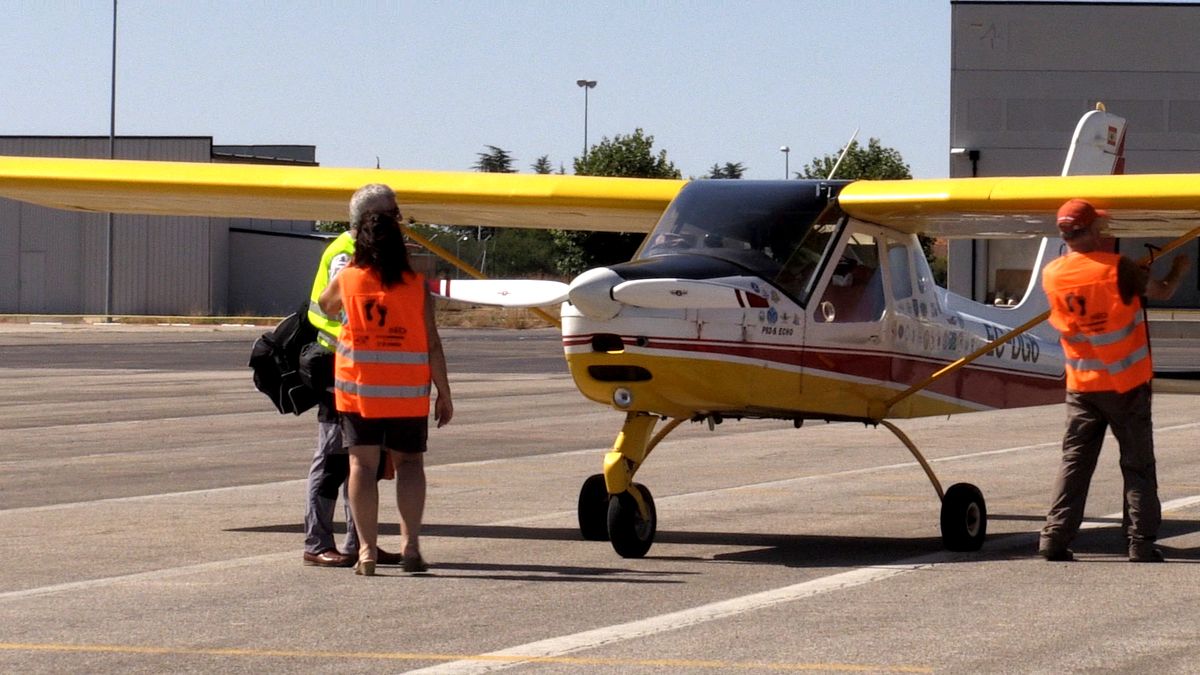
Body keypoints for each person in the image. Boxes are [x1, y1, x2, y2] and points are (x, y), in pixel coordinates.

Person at [1038, 198, 1190, 563]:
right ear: (1091, 230)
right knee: (1137, 464)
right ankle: (1140, 541)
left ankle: (1054, 537)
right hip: (1125, 384)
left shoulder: (1052, 274)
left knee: (1074, 463)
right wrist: (1180, 268)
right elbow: (1164, 290)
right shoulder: (1117, 268)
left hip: (1080, 384)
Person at [319, 183, 453, 576]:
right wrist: (444, 393)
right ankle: (410, 546)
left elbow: (326, 304)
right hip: (407, 395)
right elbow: (433, 344)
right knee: (410, 465)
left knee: (361, 467)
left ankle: (366, 551)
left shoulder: (349, 278)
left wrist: (349, 272)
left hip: (359, 392)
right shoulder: (416, 287)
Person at [302, 209, 403, 568]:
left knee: (363, 457)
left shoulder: (371, 254)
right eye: (396, 217)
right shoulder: (347, 253)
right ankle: (317, 542)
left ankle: (360, 543)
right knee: (333, 457)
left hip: (360, 367)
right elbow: (339, 307)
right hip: (336, 363)